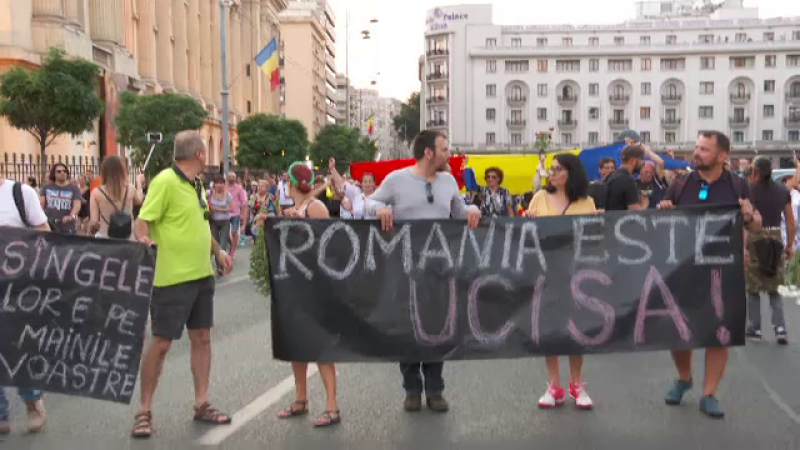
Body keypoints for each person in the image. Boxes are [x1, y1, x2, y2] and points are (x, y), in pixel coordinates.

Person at [365, 129, 481, 413]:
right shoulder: (396, 180)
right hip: (404, 270)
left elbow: (458, 209)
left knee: (436, 328)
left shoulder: (449, 181)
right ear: (429, 152)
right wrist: (379, 210)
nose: (448, 154)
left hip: (439, 269)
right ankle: (411, 389)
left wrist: (472, 209)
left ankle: (435, 389)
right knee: (408, 328)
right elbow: (370, 202)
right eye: (444, 149)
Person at [131, 130, 233, 439]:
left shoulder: (196, 184)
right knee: (161, 343)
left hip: (202, 275)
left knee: (202, 338)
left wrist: (219, 252)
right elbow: (143, 219)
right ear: (200, 154)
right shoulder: (164, 181)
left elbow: (202, 224)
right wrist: (144, 239)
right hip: (171, 278)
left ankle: (202, 403)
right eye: (207, 152)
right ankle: (144, 411)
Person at [658, 130, 761, 419]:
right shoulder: (681, 183)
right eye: (697, 147)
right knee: (679, 331)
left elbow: (755, 225)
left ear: (721, 155)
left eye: (704, 149)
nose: (697, 152)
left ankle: (709, 393)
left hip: (723, 271)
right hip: (683, 269)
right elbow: (663, 220)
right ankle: (684, 377)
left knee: (719, 333)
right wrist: (664, 208)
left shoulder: (739, 185)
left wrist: (750, 214)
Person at [524, 153, 596, 410]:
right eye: (550, 169)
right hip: (544, 273)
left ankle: (577, 384)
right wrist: (528, 222)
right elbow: (527, 237)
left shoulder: (587, 202)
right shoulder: (539, 198)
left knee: (576, 329)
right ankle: (555, 385)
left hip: (577, 274)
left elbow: (593, 238)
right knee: (549, 328)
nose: (551, 173)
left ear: (570, 173)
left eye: (557, 169)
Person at [276, 162, 341, 428]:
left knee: (320, 345)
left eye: (288, 183)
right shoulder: (297, 207)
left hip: (315, 284)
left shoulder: (315, 207)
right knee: (297, 343)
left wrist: (298, 223)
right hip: (294, 283)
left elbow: (327, 242)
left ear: (292, 184)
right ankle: (301, 399)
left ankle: (332, 406)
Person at [0, 175, 50, 435]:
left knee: (17, 345)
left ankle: (32, 401)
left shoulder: (20, 193)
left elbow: (44, 232)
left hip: (18, 285)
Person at [745, 156, 792, 345]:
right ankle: (780, 328)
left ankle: (755, 328)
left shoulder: (748, 191)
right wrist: (789, 245)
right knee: (775, 285)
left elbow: (744, 218)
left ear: (755, 171)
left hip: (754, 237)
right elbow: (790, 220)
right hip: (775, 237)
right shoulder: (783, 190)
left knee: (753, 287)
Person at [89, 156, 144, 240]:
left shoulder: (96, 192)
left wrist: (93, 230)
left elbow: (94, 222)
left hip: (105, 238)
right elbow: (139, 201)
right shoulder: (130, 189)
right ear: (122, 170)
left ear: (103, 171)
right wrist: (139, 183)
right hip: (128, 238)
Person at [40, 163, 82, 234]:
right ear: (54, 174)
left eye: (64, 171)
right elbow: (41, 204)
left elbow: (77, 205)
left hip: (68, 227)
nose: (62, 173)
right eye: (59, 171)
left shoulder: (74, 188)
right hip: (49, 226)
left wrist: (71, 216)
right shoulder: (46, 187)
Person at [604, 144, 646, 211]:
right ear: (633, 160)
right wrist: (644, 204)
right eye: (641, 159)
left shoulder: (611, 176)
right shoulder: (628, 180)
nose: (643, 163)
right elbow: (634, 212)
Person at [209, 174, 234, 255]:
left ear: (224, 184)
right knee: (215, 244)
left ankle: (221, 266)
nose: (219, 185)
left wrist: (218, 209)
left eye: (221, 183)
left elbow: (232, 208)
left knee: (222, 245)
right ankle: (218, 265)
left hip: (225, 222)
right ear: (214, 184)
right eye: (217, 183)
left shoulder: (228, 195)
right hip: (214, 222)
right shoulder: (209, 193)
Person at [225, 171, 248, 257]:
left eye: (233, 177)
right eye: (230, 177)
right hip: (225, 213)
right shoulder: (224, 187)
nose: (231, 179)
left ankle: (232, 252)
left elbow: (244, 201)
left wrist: (243, 213)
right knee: (225, 233)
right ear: (227, 178)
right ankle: (232, 245)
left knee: (234, 232)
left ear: (235, 178)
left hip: (235, 214)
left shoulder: (239, 188)